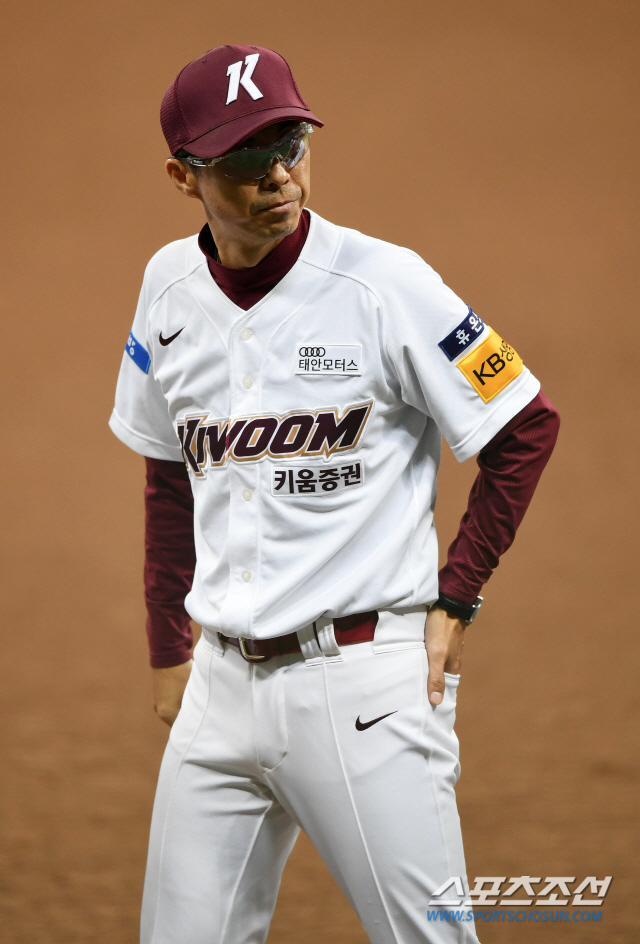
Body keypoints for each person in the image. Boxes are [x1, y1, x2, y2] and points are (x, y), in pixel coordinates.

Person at [110, 43, 559, 944]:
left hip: (365, 686)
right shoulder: (167, 287)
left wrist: (457, 598)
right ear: (183, 176)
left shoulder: (386, 284)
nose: (278, 174)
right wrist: (168, 647)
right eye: (245, 157)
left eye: (291, 143)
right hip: (218, 691)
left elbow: (525, 423)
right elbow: (167, 472)